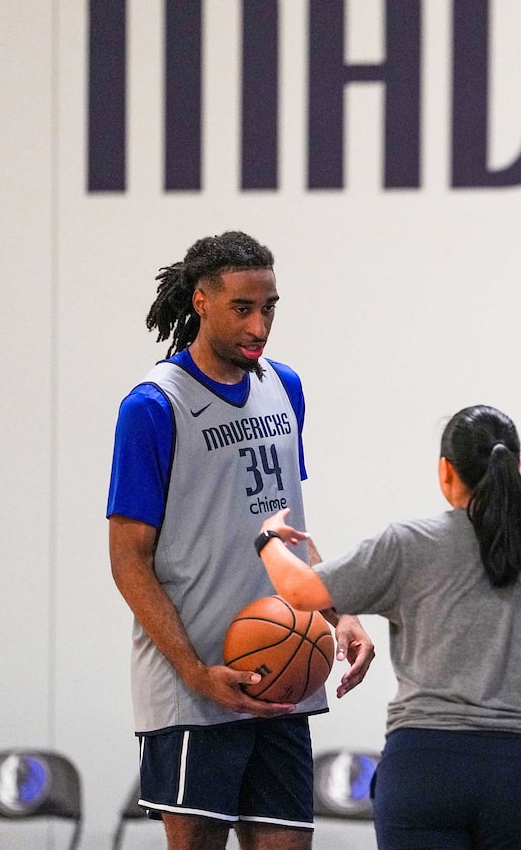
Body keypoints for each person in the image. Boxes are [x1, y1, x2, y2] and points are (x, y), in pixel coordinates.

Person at [107, 231, 375, 850]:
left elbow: (280, 526)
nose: (261, 325)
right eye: (243, 308)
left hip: (283, 675)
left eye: (270, 307)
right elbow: (128, 563)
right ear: (201, 301)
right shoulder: (153, 406)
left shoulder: (285, 388)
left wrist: (340, 611)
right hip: (194, 686)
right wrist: (196, 672)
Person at [255, 404, 521, 850]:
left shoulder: (409, 544)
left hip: (425, 763)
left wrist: (266, 538)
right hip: (518, 771)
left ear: (446, 472)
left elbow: (301, 592)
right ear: (516, 468)